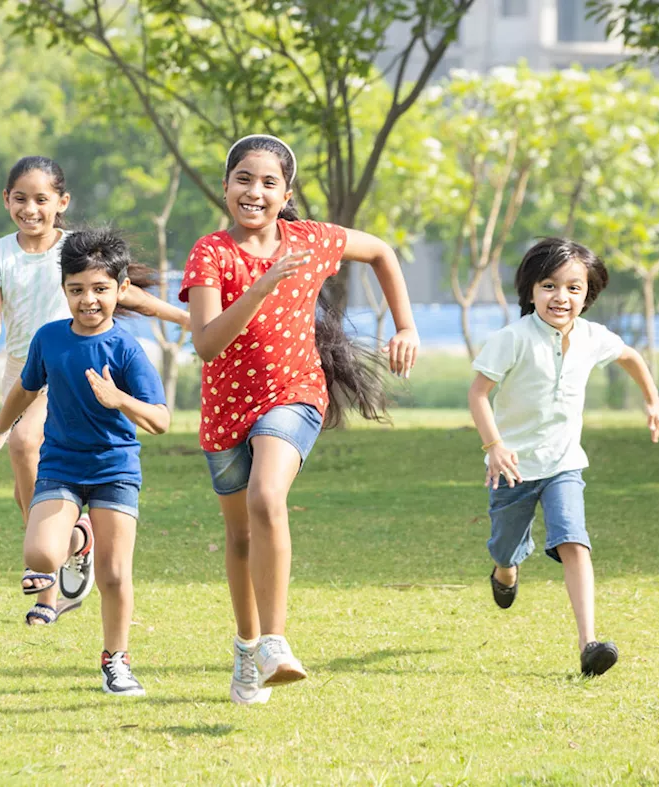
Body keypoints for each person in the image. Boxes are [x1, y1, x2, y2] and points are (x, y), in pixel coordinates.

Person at [180, 134, 420, 704]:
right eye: (244, 178)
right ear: (226, 186)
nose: (254, 192)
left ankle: (275, 641)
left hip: (294, 395)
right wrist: (261, 286)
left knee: (268, 497)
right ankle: (246, 649)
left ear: (286, 192)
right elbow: (209, 344)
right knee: (239, 537)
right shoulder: (211, 252)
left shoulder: (311, 240)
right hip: (224, 411)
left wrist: (405, 325)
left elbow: (382, 251)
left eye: (269, 182)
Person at [0, 156, 188, 625]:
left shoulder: (76, 251)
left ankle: (51, 581)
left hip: (67, 363)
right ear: (5, 200)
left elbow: (126, 292)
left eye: (41, 199)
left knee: (23, 439)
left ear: (61, 202)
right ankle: (70, 543)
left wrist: (185, 318)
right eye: (20, 198)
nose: (30, 208)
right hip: (24, 363)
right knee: (24, 481)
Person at [467, 237, 659, 676]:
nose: (561, 297)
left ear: (588, 294)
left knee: (574, 541)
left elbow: (630, 357)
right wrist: (494, 446)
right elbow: (479, 393)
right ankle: (505, 571)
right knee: (505, 548)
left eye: (574, 288)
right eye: (549, 285)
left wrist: (652, 401)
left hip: (564, 464)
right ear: (531, 290)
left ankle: (589, 644)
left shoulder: (594, 338)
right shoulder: (513, 338)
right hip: (513, 468)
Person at [0, 227, 169, 696]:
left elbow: (161, 420)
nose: (89, 300)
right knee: (39, 555)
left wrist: (119, 398)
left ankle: (116, 662)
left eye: (101, 289)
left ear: (121, 288)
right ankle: (77, 538)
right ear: (63, 288)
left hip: (114, 469)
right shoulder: (49, 339)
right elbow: (24, 389)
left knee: (113, 575)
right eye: (77, 289)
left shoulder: (127, 348)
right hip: (61, 465)